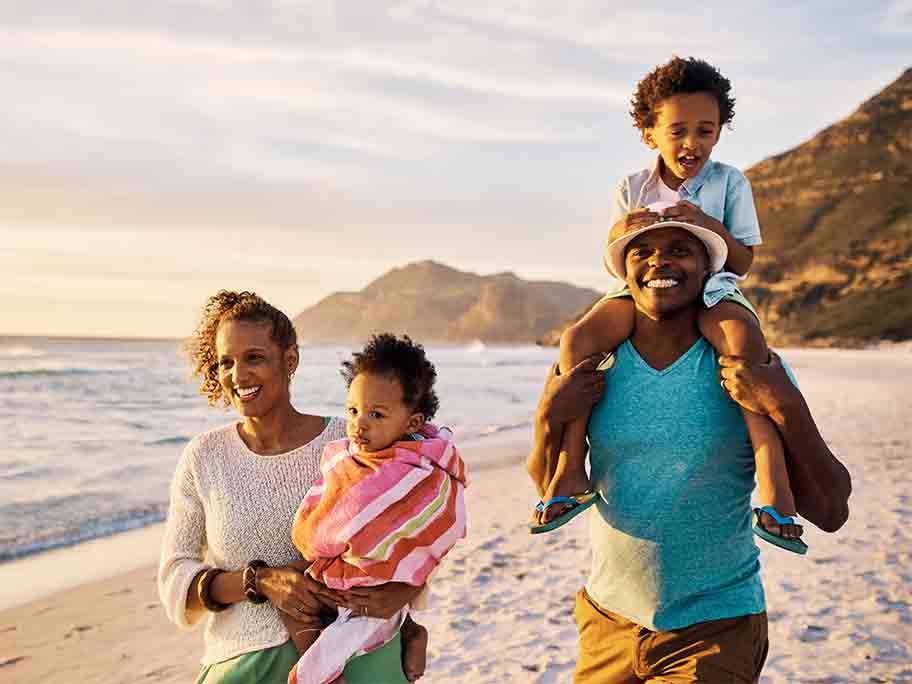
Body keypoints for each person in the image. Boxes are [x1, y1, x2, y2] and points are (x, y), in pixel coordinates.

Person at [527, 218, 851, 683]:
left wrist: (786, 405)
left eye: (680, 249)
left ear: (707, 272)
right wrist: (544, 418)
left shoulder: (746, 367)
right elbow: (547, 484)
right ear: (625, 273)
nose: (660, 261)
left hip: (715, 629)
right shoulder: (593, 364)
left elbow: (832, 510)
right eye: (642, 252)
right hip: (607, 622)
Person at [535, 56, 804, 553]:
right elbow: (618, 262)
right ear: (648, 133)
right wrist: (627, 231)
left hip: (715, 283)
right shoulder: (631, 187)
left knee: (744, 340)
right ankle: (571, 469)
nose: (691, 144)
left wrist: (706, 222)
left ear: (720, 132)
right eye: (677, 130)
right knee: (578, 339)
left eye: (706, 130)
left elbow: (742, 260)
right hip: (643, 286)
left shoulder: (730, 183)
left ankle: (775, 486)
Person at [158, 291, 426, 684]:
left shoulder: (351, 440)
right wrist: (261, 581)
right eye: (225, 363)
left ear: (290, 361)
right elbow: (175, 578)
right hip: (244, 659)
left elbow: (418, 524)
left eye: (254, 357)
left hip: (354, 648)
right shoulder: (204, 456)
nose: (238, 375)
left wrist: (405, 600)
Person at [287, 334, 468, 684]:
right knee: (292, 600)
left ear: (412, 423)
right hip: (347, 575)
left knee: (327, 634)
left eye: (377, 414)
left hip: (372, 585)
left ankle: (320, 674)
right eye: (352, 410)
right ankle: (407, 629)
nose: (359, 424)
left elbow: (441, 519)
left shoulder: (420, 469)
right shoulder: (348, 456)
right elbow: (329, 503)